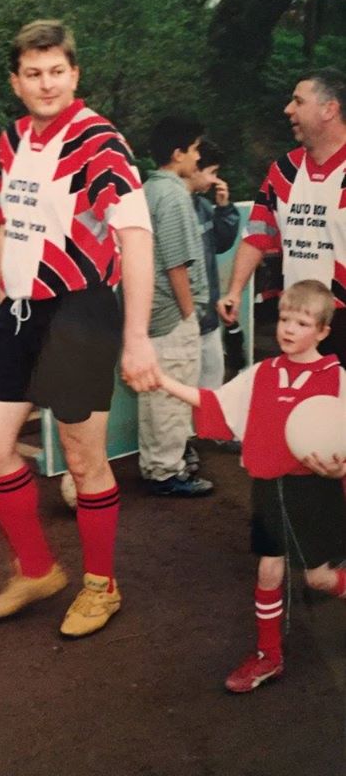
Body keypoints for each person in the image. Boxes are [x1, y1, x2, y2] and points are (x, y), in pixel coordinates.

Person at [0, 19, 158, 639]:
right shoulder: (12, 139)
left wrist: (136, 338)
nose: (46, 84)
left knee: (82, 457)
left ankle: (102, 586)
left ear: (74, 75)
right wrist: (6, 290)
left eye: (57, 72)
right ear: (16, 82)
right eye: (33, 73)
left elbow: (136, 237)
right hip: (22, 310)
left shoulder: (99, 141)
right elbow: (8, 221)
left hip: (80, 310)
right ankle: (37, 571)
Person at [157, 279, 345, 692]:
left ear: (323, 332)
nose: (289, 329)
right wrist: (163, 381)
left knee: (319, 579)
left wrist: (339, 471)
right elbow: (216, 403)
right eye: (284, 319)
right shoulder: (263, 373)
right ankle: (268, 655)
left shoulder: (336, 378)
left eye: (302, 323)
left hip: (316, 492)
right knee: (268, 569)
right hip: (269, 488)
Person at [219, 68, 346, 367]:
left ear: (329, 109)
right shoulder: (284, 171)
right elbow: (257, 235)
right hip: (296, 316)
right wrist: (235, 291)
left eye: (298, 102)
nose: (288, 109)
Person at [138, 116, 213, 496]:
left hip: (152, 312)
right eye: (195, 149)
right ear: (178, 153)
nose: (198, 157)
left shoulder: (148, 190)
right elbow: (176, 264)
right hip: (171, 314)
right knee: (171, 394)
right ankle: (167, 473)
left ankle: (158, 466)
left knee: (157, 394)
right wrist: (188, 314)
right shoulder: (172, 195)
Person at [182, 139, 241, 473]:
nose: (215, 179)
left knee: (212, 375)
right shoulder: (175, 206)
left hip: (208, 316)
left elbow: (221, 242)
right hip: (182, 315)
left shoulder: (203, 206)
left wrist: (224, 208)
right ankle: (183, 444)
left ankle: (216, 430)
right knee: (182, 384)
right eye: (212, 172)